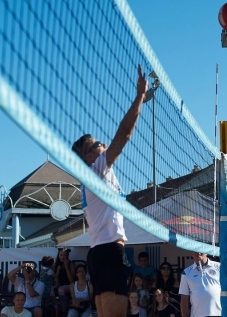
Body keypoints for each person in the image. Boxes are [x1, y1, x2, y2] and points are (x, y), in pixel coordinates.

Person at [71, 65, 148, 317]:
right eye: (96, 144)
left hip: (98, 253)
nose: (103, 143)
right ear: (90, 156)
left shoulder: (90, 179)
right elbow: (124, 134)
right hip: (109, 252)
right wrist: (139, 97)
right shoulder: (97, 169)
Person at [179, 252, 221, 317]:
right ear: (191, 254)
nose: (198, 252)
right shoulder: (186, 272)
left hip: (219, 314)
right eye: (195, 250)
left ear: (206, 252)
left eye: (201, 249)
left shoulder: (219, 267)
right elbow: (184, 298)